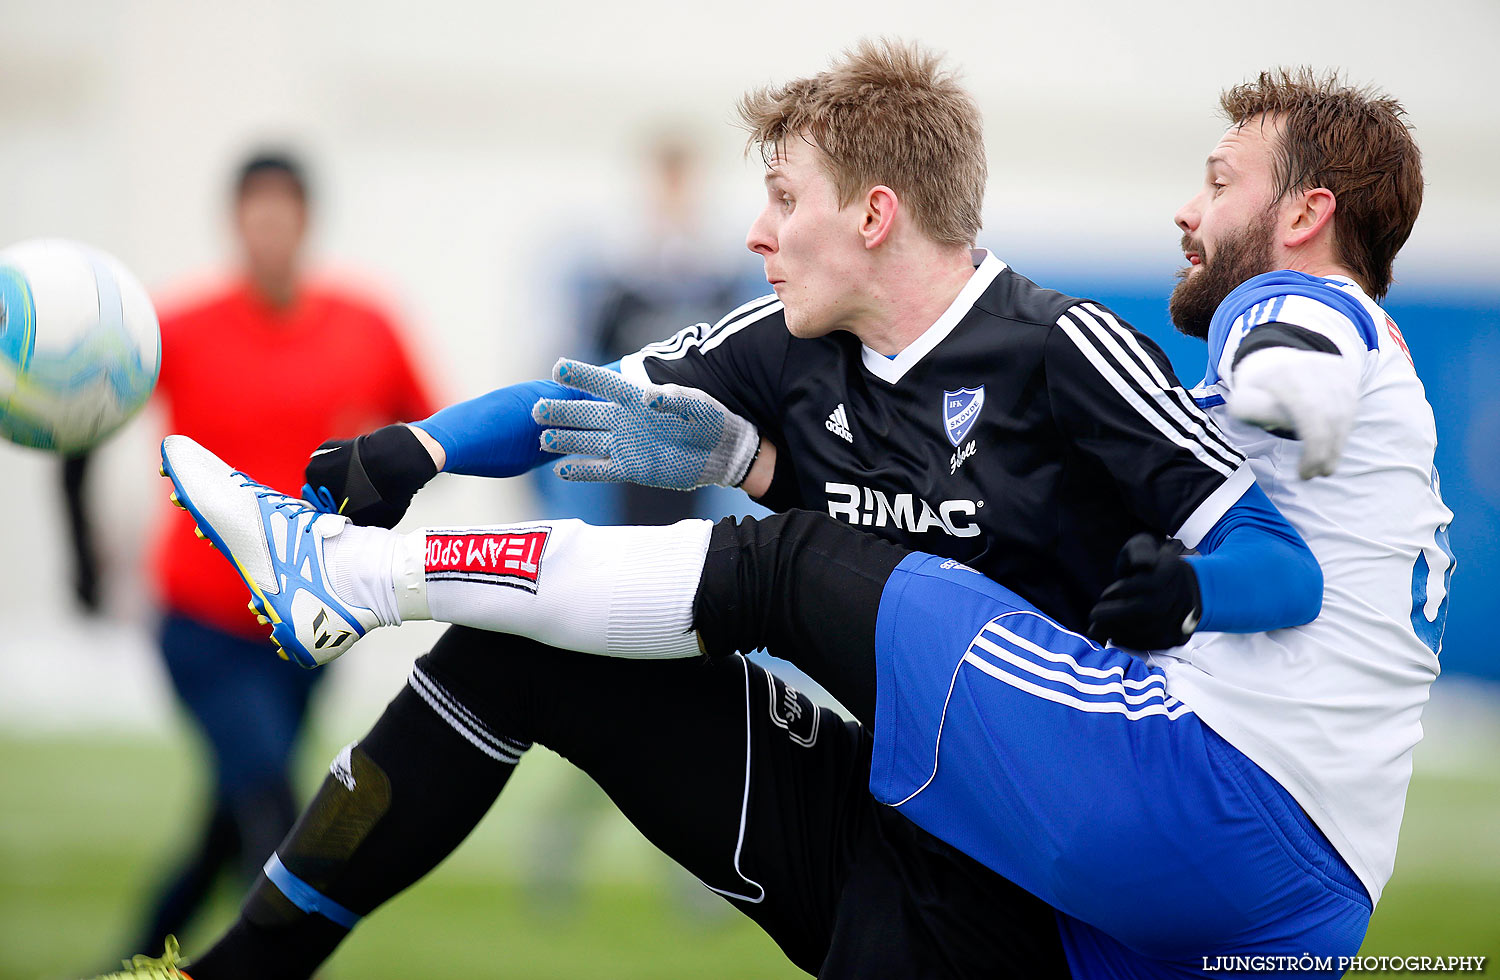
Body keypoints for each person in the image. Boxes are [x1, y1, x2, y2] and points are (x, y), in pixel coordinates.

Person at [107, 47, 1339, 979]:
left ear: (874, 214)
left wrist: (1192, 589)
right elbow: (581, 401)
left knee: (769, 572)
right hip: (862, 806)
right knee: (517, 641)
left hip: (1028, 885)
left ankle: (357, 581)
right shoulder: (783, 340)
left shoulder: (1065, 350)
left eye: (783, 198)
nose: (754, 232)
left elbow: (1268, 557)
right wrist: (418, 447)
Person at [76, 151, 436, 959]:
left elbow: (426, 440)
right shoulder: (180, 326)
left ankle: (127, 966)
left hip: (306, 628)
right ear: (235, 222)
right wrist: (78, 555)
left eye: (284, 214)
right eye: (255, 214)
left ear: (307, 222)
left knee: (229, 821)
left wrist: (371, 531)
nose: (269, 230)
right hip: (200, 621)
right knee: (273, 804)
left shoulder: (367, 324)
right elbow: (83, 410)